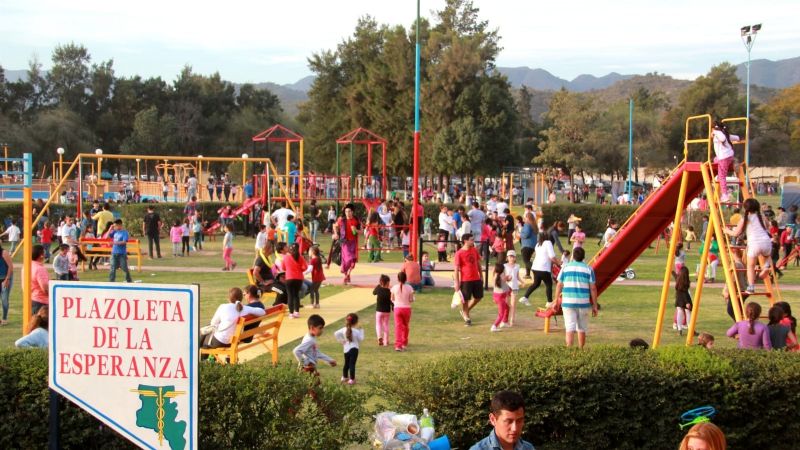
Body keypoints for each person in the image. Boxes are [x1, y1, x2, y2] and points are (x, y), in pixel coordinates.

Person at [724, 198, 772, 294]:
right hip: (766, 242)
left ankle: (751, 287)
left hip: (754, 243)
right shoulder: (762, 217)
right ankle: (766, 266)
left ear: (745, 208)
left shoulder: (745, 218)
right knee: (766, 257)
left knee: (750, 266)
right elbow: (768, 226)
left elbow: (736, 233)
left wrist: (727, 231)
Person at [554, 247, 598, 349]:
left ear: (573, 256)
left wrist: (556, 300)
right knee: (582, 328)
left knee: (569, 327)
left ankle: (569, 351)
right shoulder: (588, 269)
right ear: (583, 257)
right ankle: (580, 350)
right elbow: (593, 288)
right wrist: (595, 305)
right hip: (583, 303)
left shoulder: (565, 268)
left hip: (568, 302)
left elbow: (559, 285)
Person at [199, 287, 266, 351]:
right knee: (205, 334)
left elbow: (213, 323)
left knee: (203, 337)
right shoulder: (245, 308)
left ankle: (201, 360)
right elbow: (262, 312)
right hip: (235, 341)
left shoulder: (223, 306)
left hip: (221, 341)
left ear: (229, 297)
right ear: (241, 298)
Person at [470, 391, 535, 450]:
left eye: (519, 421)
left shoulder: (529, 448)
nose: (514, 428)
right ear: (493, 419)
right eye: (508, 421)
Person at [520, 232, 560, 307]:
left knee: (536, 283)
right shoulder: (548, 243)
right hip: (543, 268)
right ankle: (549, 302)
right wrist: (559, 262)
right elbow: (552, 256)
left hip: (535, 267)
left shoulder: (538, 244)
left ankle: (525, 297)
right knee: (549, 284)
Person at [454, 234, 484, 326]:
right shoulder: (459, 253)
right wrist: (457, 283)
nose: (473, 241)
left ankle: (465, 311)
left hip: (476, 278)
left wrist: (481, 275)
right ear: (465, 241)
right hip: (465, 280)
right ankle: (467, 318)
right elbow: (456, 269)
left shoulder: (474, 250)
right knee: (465, 300)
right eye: (471, 240)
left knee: (478, 297)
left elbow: (478, 263)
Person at [711, 120, 739, 203]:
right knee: (715, 159)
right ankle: (734, 161)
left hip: (723, 158)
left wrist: (715, 132)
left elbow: (722, 138)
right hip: (729, 155)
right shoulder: (725, 134)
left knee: (721, 176)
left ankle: (725, 195)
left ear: (713, 128)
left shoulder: (718, 134)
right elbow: (737, 138)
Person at [333, 204, 360, 285]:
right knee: (347, 259)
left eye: (349, 211)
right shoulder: (341, 220)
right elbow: (334, 225)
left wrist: (356, 230)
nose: (347, 213)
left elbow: (360, 231)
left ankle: (347, 274)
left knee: (353, 260)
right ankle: (346, 274)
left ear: (352, 212)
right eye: (346, 211)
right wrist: (336, 233)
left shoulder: (356, 220)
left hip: (353, 243)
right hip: (345, 242)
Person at [334, 313, 363, 385]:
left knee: (346, 363)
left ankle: (344, 376)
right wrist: (361, 330)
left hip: (346, 349)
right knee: (352, 364)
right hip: (354, 349)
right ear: (356, 322)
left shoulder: (344, 329)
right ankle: (352, 379)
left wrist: (341, 341)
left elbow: (336, 333)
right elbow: (361, 339)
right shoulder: (356, 331)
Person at [391, 271, 414, 351]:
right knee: (405, 326)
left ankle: (398, 345)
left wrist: (396, 302)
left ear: (398, 279)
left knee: (398, 327)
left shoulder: (394, 287)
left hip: (397, 308)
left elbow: (392, 298)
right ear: (406, 279)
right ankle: (404, 342)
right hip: (407, 308)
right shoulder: (409, 288)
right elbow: (411, 299)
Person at [283, 243, 308, 318]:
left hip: (289, 278)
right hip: (299, 278)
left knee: (290, 295)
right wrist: (299, 270)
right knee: (296, 295)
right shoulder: (300, 257)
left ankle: (291, 313)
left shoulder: (286, 257)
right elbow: (305, 267)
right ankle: (296, 312)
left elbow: (283, 267)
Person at [504, 250, 524, 327]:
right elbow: (503, 277)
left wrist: (522, 282)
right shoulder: (504, 266)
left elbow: (517, 276)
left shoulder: (517, 266)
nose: (511, 258)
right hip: (506, 287)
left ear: (515, 258)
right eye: (510, 256)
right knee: (506, 304)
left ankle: (512, 319)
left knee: (513, 304)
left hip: (515, 287)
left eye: (513, 256)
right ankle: (505, 319)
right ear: (507, 258)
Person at [490, 263, 511, 332]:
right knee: (501, 314)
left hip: (496, 296)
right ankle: (494, 326)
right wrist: (508, 278)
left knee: (507, 308)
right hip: (500, 298)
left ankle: (504, 322)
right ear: (502, 270)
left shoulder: (496, 276)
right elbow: (507, 281)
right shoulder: (501, 277)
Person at [374, 274, 392, 346]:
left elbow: (373, 293)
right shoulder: (389, 291)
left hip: (379, 310)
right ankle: (386, 341)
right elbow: (391, 301)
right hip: (387, 311)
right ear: (388, 282)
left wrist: (379, 285)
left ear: (381, 282)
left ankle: (379, 337)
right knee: (386, 325)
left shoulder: (378, 289)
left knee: (378, 324)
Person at [675, 266, 693, 335]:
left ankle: (679, 329)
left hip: (679, 298)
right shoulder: (686, 282)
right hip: (685, 299)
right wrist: (687, 302)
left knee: (679, 312)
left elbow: (674, 274)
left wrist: (671, 270)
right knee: (688, 312)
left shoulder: (678, 279)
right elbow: (685, 293)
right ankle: (689, 328)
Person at [519, 213, 537, 280]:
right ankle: (528, 274)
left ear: (528, 218)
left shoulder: (527, 225)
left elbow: (526, 234)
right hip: (532, 245)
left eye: (525, 217)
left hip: (527, 245)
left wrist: (519, 234)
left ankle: (536, 270)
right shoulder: (534, 225)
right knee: (528, 260)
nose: (524, 218)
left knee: (526, 260)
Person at [0, 243, 12, 325]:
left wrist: (7, 279)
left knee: (4, 300)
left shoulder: (4, 252)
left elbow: (10, 266)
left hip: (5, 278)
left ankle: (4, 318)